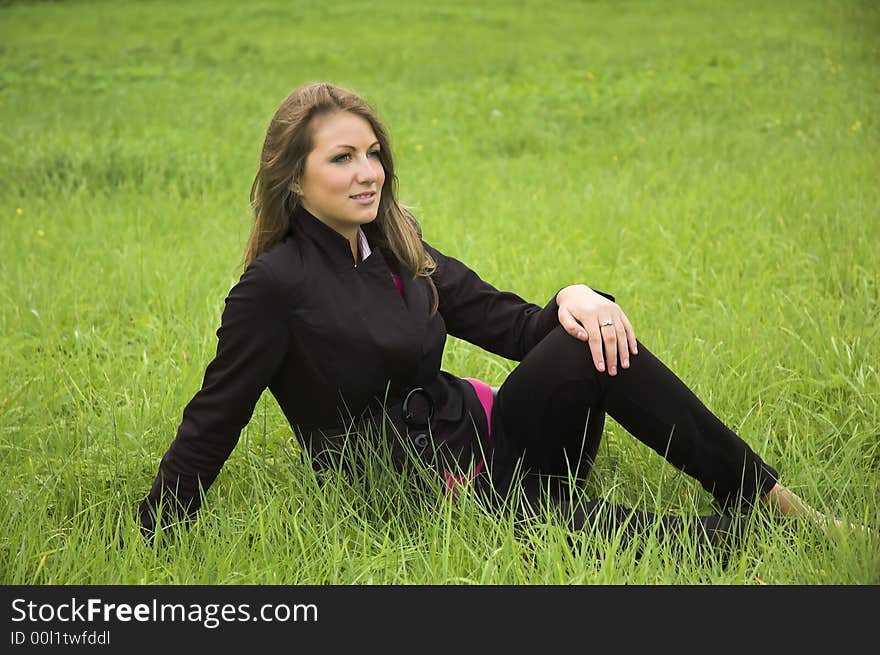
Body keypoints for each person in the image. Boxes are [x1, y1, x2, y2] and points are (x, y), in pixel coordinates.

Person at [138, 81, 846, 552]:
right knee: (657, 537)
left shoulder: (398, 245)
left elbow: (510, 324)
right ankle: (748, 543)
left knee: (593, 338)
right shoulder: (273, 285)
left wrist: (576, 294)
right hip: (417, 494)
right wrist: (151, 536)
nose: (368, 173)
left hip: (487, 440)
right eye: (343, 158)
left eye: (374, 154)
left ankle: (777, 502)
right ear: (294, 178)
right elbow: (215, 413)